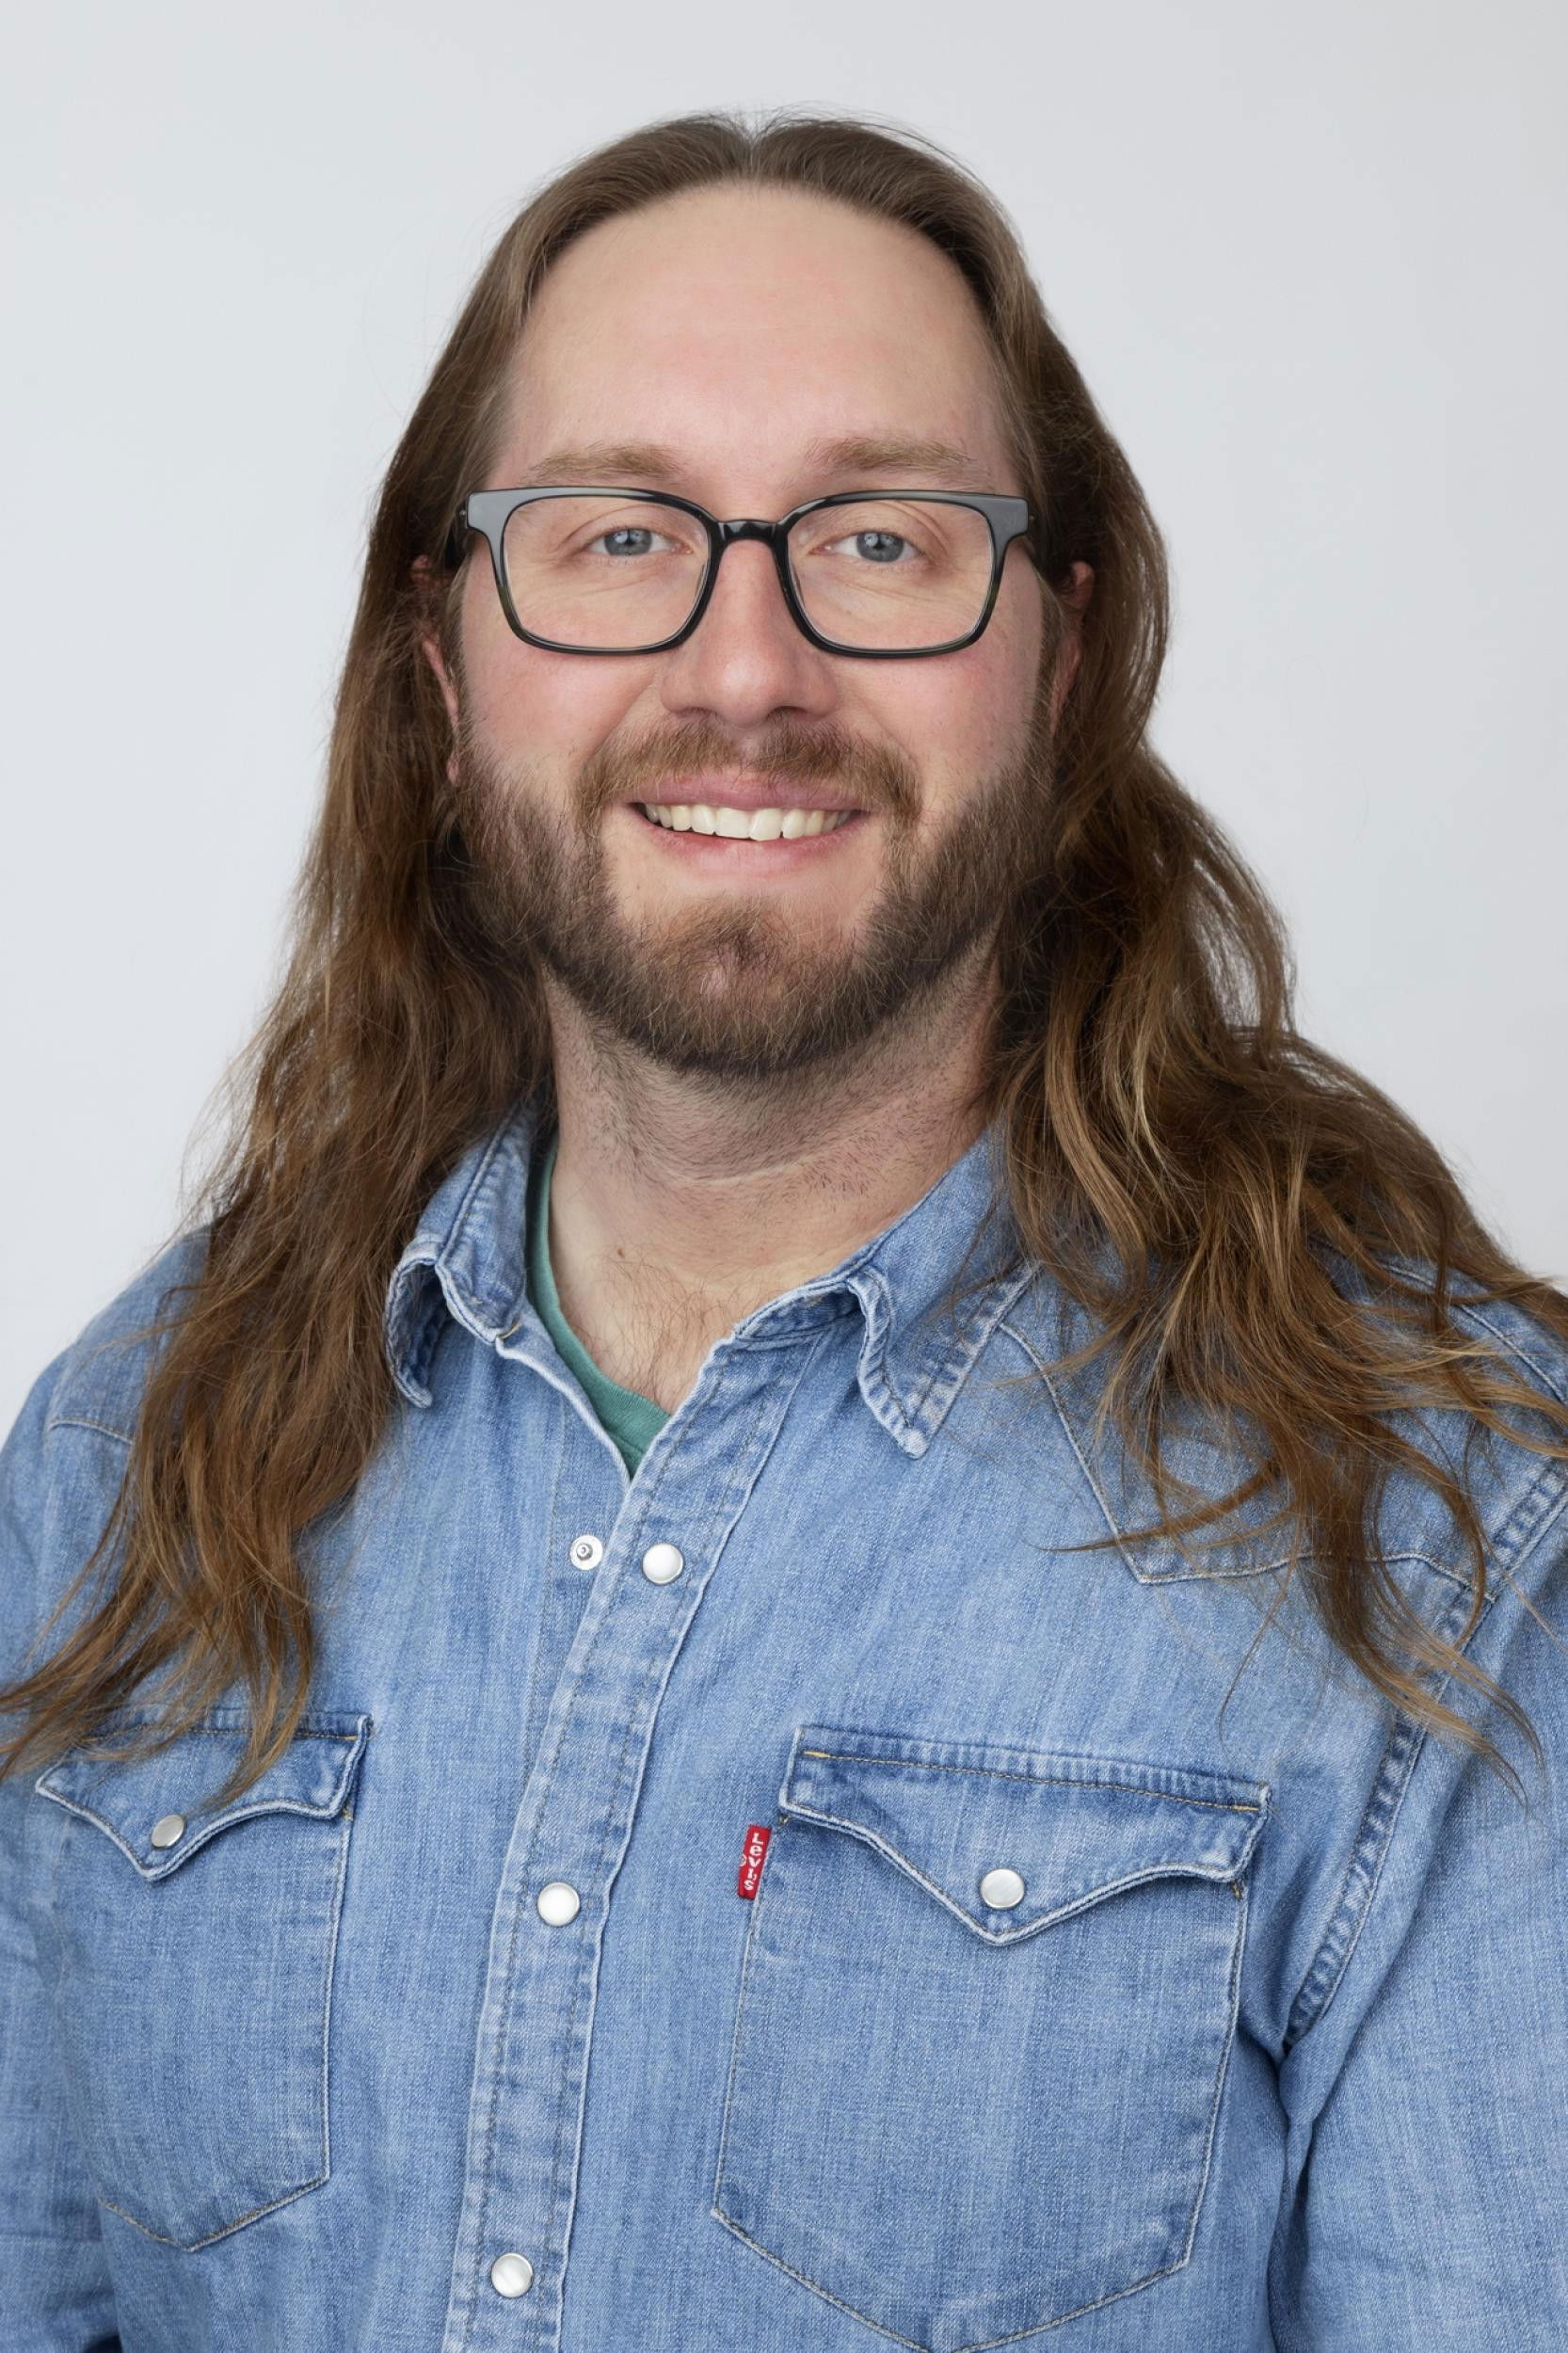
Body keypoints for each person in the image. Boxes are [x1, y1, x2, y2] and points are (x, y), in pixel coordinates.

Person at [2, 107, 1565, 2353]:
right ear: (441, 661)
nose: (745, 669)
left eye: (882, 539)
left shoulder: (1435, 1526)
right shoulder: (118, 1466)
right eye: (617, 535)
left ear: (1057, 654)